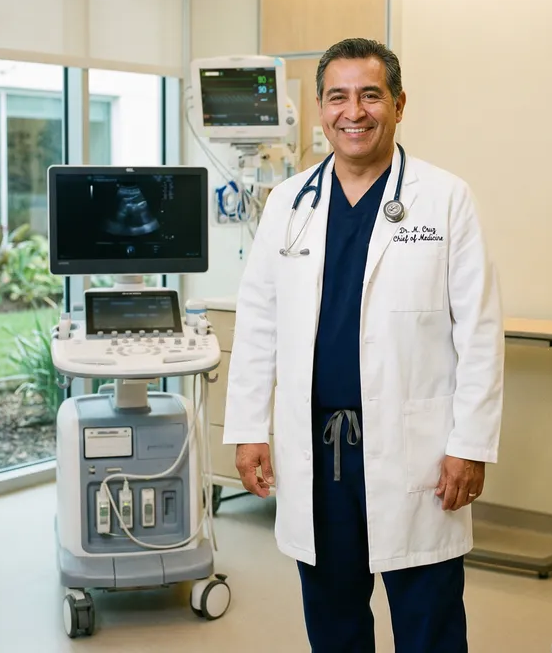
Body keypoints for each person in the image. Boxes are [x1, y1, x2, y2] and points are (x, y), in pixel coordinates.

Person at [223, 38, 504, 652]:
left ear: (399, 105)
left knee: (429, 624)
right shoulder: (288, 204)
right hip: (318, 452)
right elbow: (258, 322)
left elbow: (479, 331)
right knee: (334, 623)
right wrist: (247, 428)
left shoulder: (445, 198)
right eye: (338, 97)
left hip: (416, 451)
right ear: (321, 108)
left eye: (370, 95)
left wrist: (469, 444)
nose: (354, 112)